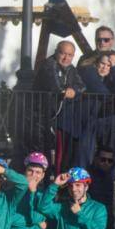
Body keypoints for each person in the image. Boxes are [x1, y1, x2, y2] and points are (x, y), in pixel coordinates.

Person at [33, 40, 85, 171]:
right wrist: (67, 90)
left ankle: (57, 178)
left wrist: (73, 90)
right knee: (41, 153)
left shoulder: (71, 68)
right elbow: (56, 86)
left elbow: (82, 86)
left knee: (61, 152)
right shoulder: (49, 65)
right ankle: (42, 180)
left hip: (57, 116)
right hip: (40, 116)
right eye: (63, 53)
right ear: (56, 52)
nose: (66, 58)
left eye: (70, 55)